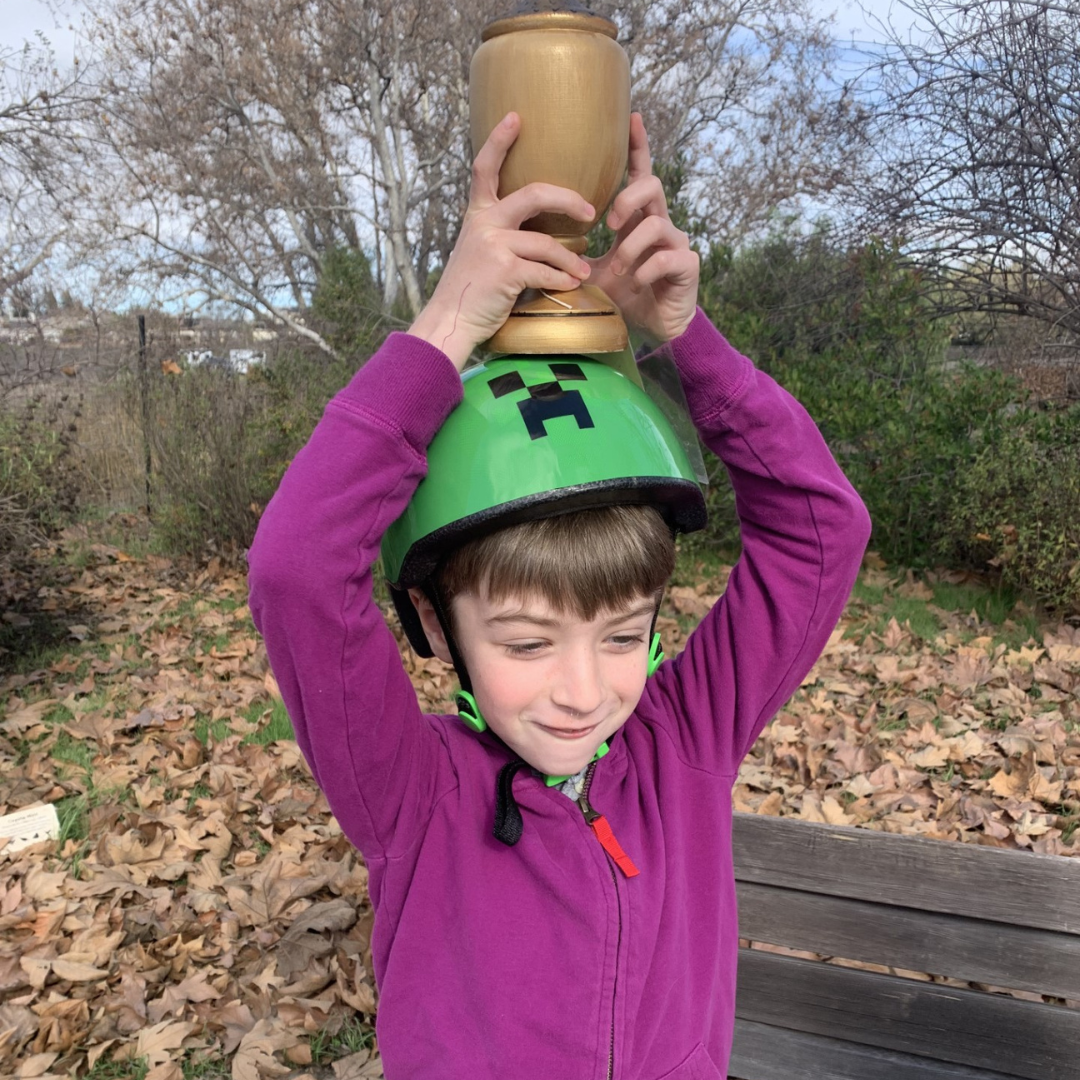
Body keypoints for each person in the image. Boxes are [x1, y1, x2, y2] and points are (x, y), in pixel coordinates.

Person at [247, 112, 871, 1079]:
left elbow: (824, 533)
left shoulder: (684, 741)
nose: (585, 692)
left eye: (623, 636)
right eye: (527, 643)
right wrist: (447, 325)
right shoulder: (414, 797)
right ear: (434, 625)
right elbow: (295, 570)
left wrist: (676, 340)